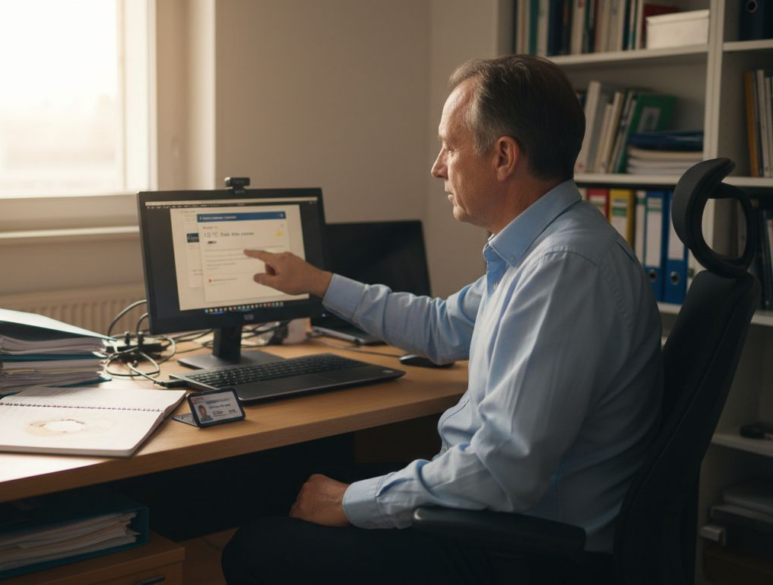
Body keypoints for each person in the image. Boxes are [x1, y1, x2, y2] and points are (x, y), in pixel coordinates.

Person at [221, 54, 663, 584]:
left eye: (450, 146)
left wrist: (351, 501)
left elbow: (503, 472)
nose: (437, 167)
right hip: (499, 517)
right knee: (282, 486)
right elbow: (439, 326)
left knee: (254, 546)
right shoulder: (543, 251)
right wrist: (317, 282)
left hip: (520, 549)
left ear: (503, 157)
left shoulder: (563, 270)